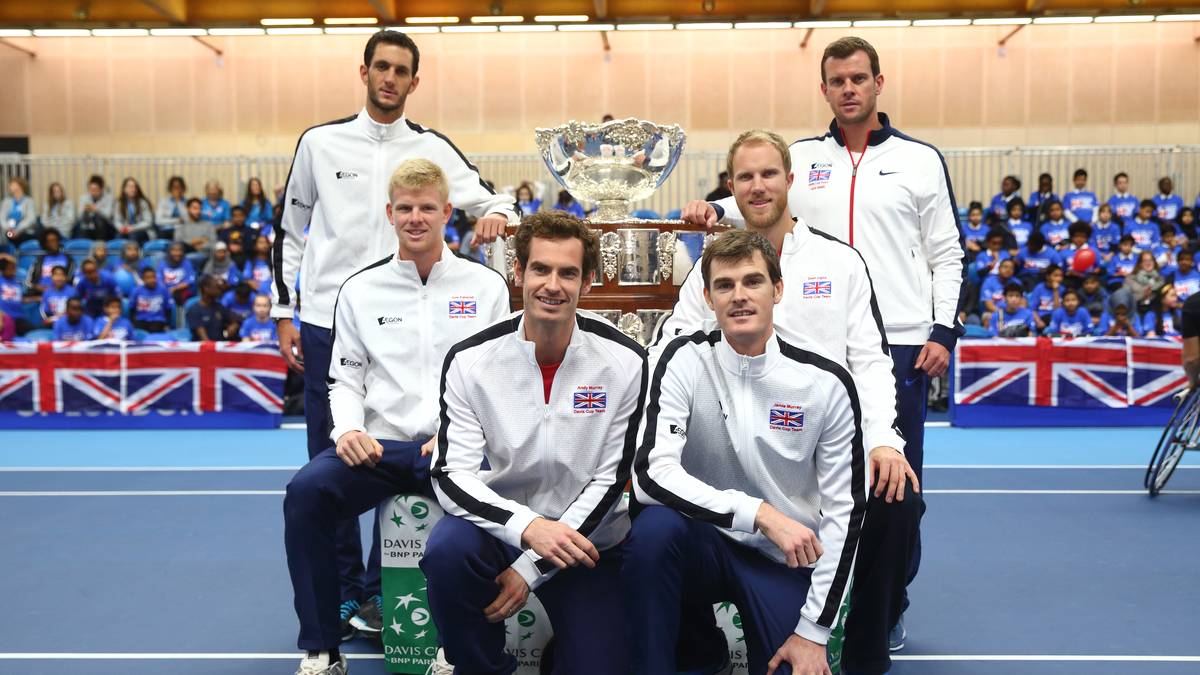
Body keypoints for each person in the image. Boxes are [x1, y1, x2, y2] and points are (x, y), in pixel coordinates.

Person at [692, 38, 964, 662]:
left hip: (895, 342)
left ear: (877, 83)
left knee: (896, 484)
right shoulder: (805, 158)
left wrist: (941, 330)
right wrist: (711, 206)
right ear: (824, 90)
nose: (848, 89)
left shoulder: (920, 161)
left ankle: (887, 603)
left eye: (858, 78)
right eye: (836, 80)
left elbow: (947, 252)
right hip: (811, 336)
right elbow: (760, 196)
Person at [271, 31, 519, 635]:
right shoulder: (320, 142)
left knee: (409, 454)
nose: (389, 78)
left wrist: (495, 216)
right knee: (337, 462)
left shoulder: (431, 150)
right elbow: (291, 226)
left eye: (400, 70)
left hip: (412, 326)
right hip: (330, 319)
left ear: (415, 80)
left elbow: (502, 202)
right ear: (363, 73)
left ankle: (387, 592)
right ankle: (347, 598)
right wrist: (284, 309)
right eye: (380, 67)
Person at [676, 128, 917, 675]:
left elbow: (872, 362)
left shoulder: (841, 262)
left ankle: (865, 649)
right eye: (745, 177)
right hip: (737, 450)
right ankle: (696, 645)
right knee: (658, 520)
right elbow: (675, 346)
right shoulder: (717, 266)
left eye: (768, 174)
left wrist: (882, 440)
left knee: (895, 498)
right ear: (731, 188)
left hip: (821, 447)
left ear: (790, 179)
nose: (758, 187)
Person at [283, 158, 511, 675]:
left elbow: (499, 380)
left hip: (455, 451)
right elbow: (344, 379)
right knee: (306, 494)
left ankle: (457, 648)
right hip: (381, 448)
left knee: (476, 529)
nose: (416, 218)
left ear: (447, 211)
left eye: (427, 207)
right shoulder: (360, 290)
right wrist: (348, 429)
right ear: (390, 212)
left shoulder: (486, 286)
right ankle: (322, 649)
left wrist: (459, 435)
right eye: (405, 208)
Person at [625, 230, 865, 675]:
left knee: (792, 668)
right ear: (708, 297)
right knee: (654, 532)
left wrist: (813, 631)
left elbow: (845, 513)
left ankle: (723, 645)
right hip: (704, 542)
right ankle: (689, 651)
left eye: (752, 282)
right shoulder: (681, 358)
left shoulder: (826, 380)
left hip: (783, 559)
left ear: (777, 289)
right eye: (725, 285)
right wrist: (758, 513)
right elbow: (651, 475)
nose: (739, 296)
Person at [423, 211, 642, 675]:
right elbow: (450, 473)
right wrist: (526, 528)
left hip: (589, 545)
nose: (553, 285)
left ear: (588, 282)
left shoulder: (625, 361)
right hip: (503, 531)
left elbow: (612, 479)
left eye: (568, 272)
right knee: (447, 550)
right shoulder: (470, 360)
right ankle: (476, 663)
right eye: (540, 269)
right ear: (518, 273)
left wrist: (531, 567)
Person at [186, 274, 239, 341]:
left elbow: (235, 320)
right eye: (217, 287)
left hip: (220, 346)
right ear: (206, 288)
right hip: (204, 349)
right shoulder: (194, 310)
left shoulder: (219, 307)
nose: (219, 290)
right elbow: (204, 339)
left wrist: (233, 326)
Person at [129, 266, 174, 333]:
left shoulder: (163, 290)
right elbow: (132, 309)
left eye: (153, 277)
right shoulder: (136, 291)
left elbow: (168, 309)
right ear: (143, 279)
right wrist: (133, 323)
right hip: (141, 319)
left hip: (158, 320)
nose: (152, 280)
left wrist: (167, 324)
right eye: (148, 278)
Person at [27, 229, 72, 295]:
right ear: (45, 244)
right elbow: (29, 281)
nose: (53, 243)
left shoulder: (68, 259)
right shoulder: (39, 260)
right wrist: (37, 287)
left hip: (62, 293)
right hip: (40, 293)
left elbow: (71, 278)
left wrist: (56, 288)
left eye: (55, 240)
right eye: (50, 241)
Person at [74, 174, 116, 241]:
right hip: (89, 225)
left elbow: (109, 215)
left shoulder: (109, 198)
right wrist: (84, 211)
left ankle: (100, 246)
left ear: (102, 189)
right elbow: (79, 216)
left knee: (99, 219)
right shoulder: (84, 198)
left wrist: (97, 210)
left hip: (106, 228)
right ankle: (86, 245)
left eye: (96, 189)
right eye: (91, 189)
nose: (93, 192)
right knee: (84, 221)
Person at [113, 177, 155, 242]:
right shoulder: (119, 203)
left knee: (133, 236)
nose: (133, 189)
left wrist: (133, 228)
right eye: (129, 186)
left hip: (141, 231)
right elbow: (116, 221)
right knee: (118, 237)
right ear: (124, 189)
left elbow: (148, 222)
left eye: (134, 187)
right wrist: (121, 228)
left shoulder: (143, 203)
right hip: (125, 231)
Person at [980, 258, 1018, 328]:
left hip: (1013, 312)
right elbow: (988, 305)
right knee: (987, 317)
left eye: (1011, 268)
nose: (1008, 270)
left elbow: (1023, 302)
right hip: (993, 312)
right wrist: (1004, 314)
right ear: (999, 268)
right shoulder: (989, 281)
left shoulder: (1017, 282)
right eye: (1005, 267)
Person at [1026, 265, 1065, 330]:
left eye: (1060, 276)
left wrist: (1056, 291)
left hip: (1056, 320)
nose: (1059, 279)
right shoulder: (1039, 288)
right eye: (1056, 275)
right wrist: (1038, 321)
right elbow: (1033, 309)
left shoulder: (1062, 289)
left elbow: (1057, 310)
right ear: (1048, 276)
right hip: (1041, 318)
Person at [3, 176, 38, 244]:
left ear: (20, 185)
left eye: (13, 184)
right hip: (9, 231)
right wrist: (8, 228)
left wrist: (18, 230)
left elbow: (31, 218)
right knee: (7, 237)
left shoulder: (29, 201)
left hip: (24, 232)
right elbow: (2, 218)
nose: (10, 186)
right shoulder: (7, 201)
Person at [0, 254, 29, 335]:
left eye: (13, 268)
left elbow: (21, 299)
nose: (13, 270)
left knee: (34, 330)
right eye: (9, 268)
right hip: (5, 318)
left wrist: (39, 298)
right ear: (3, 270)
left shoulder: (17, 282)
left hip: (19, 318)